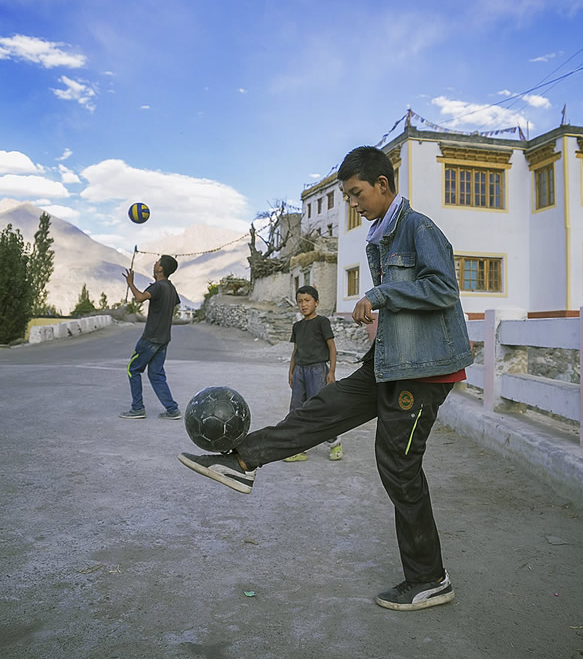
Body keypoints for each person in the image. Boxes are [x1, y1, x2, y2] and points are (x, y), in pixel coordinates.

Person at [178, 146, 473, 611]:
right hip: (391, 361)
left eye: (356, 193)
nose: (353, 204)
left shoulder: (418, 228)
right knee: (323, 409)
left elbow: (442, 288)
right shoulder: (383, 233)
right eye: (348, 195)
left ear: (382, 184)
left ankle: (429, 578)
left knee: (398, 465)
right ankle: (242, 462)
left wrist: (380, 294)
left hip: (425, 372)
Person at [283, 285, 342, 463]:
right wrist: (291, 371)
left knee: (320, 408)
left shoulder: (322, 322)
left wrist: (331, 371)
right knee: (296, 408)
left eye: (307, 300)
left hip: (318, 370)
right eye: (300, 301)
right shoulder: (297, 326)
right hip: (300, 370)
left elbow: (332, 348)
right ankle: (297, 447)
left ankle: (335, 443)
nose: (303, 305)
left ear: (316, 302)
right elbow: (296, 350)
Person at [120, 255, 182, 420]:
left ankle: (137, 408)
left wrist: (130, 284)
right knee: (156, 374)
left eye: (157, 262)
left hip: (150, 338)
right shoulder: (171, 288)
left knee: (133, 369)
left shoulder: (158, 287)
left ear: (160, 268)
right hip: (164, 338)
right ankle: (172, 409)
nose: (155, 263)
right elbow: (173, 304)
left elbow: (140, 298)